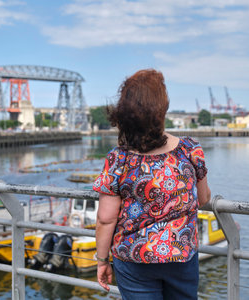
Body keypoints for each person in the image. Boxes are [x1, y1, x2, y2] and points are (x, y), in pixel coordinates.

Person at [93, 69, 211, 300]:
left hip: (133, 257)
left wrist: (101, 261)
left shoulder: (118, 159)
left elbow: (106, 218)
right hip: (181, 255)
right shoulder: (190, 149)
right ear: (162, 109)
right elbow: (203, 199)